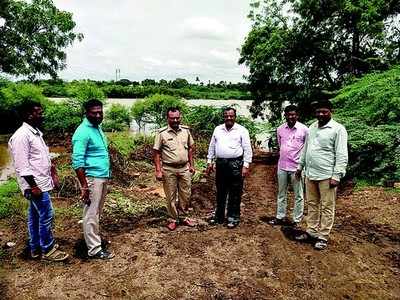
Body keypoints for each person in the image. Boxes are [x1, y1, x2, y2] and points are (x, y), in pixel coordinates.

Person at [8, 101, 69, 261]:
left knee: (35, 217)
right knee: (47, 215)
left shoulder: (35, 133)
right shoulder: (21, 136)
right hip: (35, 186)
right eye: (39, 113)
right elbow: (22, 166)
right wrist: (33, 186)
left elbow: (39, 159)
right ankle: (48, 250)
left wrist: (52, 172)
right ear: (29, 115)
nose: (42, 116)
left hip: (40, 183)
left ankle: (36, 247)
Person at [295, 100, 348, 250]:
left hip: (327, 175)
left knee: (327, 207)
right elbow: (306, 149)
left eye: (324, 111)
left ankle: (323, 236)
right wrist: (300, 167)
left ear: (331, 111)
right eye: (318, 112)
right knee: (312, 204)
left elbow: (342, 154)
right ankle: (311, 231)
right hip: (310, 174)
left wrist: (337, 175)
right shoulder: (312, 127)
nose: (320, 114)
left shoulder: (338, 129)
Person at [72, 99, 114, 259]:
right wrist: (84, 186)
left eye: (100, 112)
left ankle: (94, 241)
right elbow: (77, 161)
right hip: (92, 178)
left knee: (96, 211)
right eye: (94, 112)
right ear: (86, 113)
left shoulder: (97, 128)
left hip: (102, 176)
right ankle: (94, 250)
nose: (98, 115)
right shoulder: (82, 132)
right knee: (91, 212)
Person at [205, 107, 253, 229]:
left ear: (235, 117)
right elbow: (212, 146)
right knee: (220, 191)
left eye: (231, 116)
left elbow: (247, 149)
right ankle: (219, 217)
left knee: (235, 192)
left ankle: (233, 218)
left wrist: (246, 165)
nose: (229, 118)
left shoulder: (242, 130)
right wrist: (209, 161)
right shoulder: (218, 129)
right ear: (224, 117)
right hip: (221, 164)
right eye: (226, 116)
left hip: (236, 164)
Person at [153, 107, 195, 231]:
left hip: (184, 169)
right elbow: (156, 152)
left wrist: (192, 165)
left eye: (177, 117)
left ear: (180, 117)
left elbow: (191, 148)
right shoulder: (162, 133)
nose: (175, 120)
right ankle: (173, 219)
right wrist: (158, 170)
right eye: (172, 118)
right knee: (170, 196)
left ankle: (183, 217)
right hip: (168, 169)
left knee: (185, 194)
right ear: (168, 118)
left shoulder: (186, 131)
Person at [268, 105, 308, 226]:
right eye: (288, 114)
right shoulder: (280, 129)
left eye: (293, 114)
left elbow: (306, 149)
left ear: (297, 115)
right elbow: (281, 146)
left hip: (297, 168)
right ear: (285, 115)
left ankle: (297, 220)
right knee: (281, 193)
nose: (291, 117)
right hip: (282, 166)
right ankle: (280, 216)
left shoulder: (304, 130)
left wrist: (301, 166)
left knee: (299, 195)